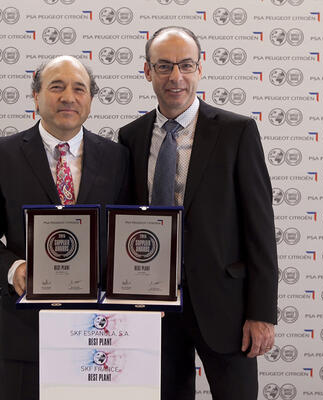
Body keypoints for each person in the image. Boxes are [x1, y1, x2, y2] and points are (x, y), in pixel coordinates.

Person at [118, 27, 278, 400]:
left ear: (199, 69)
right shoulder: (130, 137)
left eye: (185, 65)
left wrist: (262, 312)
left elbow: (260, 228)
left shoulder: (237, 132)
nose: (176, 77)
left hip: (227, 309)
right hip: (153, 307)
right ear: (147, 71)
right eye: (164, 66)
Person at [0, 56, 130, 400]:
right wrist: (14, 268)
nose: (68, 97)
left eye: (79, 89)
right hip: (26, 332)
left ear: (90, 100)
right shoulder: (2, 154)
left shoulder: (117, 158)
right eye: (57, 87)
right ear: (36, 96)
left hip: (99, 334)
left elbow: (128, 234)